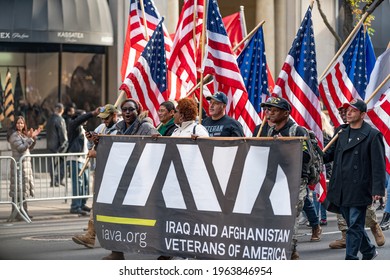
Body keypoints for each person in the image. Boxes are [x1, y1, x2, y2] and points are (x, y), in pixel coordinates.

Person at [259, 97, 322, 260]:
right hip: (276, 181)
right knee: (276, 216)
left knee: (291, 216)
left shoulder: (297, 131)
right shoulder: (271, 131)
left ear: (286, 113)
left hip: (295, 181)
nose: (270, 113)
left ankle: (290, 250)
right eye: (268, 110)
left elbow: (305, 157)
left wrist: (285, 148)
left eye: (274, 110)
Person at [323, 99, 386, 260]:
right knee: (353, 226)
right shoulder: (341, 132)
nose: (348, 113)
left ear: (363, 114)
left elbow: (378, 165)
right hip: (341, 187)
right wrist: (314, 150)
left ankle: (351, 259)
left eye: (352, 110)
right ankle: (369, 251)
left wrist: (377, 189)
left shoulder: (372, 135)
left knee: (354, 225)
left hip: (359, 188)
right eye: (346, 110)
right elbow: (328, 156)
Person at [102, 98, 159, 260]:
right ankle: (117, 252)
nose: (127, 113)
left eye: (131, 109)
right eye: (124, 110)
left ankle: (164, 252)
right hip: (123, 179)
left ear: (138, 111)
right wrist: (99, 142)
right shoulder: (118, 127)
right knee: (116, 214)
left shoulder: (146, 127)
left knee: (148, 216)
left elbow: (161, 145)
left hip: (142, 181)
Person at [72, 104, 120, 249]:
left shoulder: (120, 130)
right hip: (100, 172)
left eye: (107, 118)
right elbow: (89, 147)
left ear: (114, 116)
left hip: (114, 174)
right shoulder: (101, 128)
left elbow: (116, 152)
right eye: (102, 118)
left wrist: (97, 153)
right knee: (97, 204)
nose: (104, 121)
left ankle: (118, 236)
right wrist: (91, 139)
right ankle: (91, 236)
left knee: (113, 206)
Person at [67, 108, 100, 216]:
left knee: (85, 183)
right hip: (75, 159)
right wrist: (91, 113)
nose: (85, 119)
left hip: (84, 159)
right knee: (78, 183)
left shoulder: (82, 129)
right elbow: (78, 121)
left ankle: (82, 203)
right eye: (83, 116)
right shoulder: (73, 126)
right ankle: (75, 206)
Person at [7, 116, 41, 220]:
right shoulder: (13, 136)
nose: (20, 125)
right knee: (17, 189)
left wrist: (33, 138)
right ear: (15, 124)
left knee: (24, 189)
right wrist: (30, 139)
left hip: (25, 166)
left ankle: (23, 211)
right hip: (18, 165)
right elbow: (21, 148)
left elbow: (29, 147)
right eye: (18, 123)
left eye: (22, 123)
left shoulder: (23, 134)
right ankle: (16, 212)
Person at [312, 111, 334, 226]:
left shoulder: (324, 136)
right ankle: (320, 217)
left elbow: (328, 154)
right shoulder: (328, 135)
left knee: (319, 192)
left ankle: (318, 217)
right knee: (319, 193)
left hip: (324, 167)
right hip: (322, 167)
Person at [46, 103, 68, 187]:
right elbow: (62, 134)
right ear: (61, 110)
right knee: (62, 163)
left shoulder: (50, 119)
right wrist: (64, 145)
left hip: (51, 145)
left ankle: (53, 181)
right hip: (59, 146)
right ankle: (58, 180)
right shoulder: (60, 119)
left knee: (52, 164)